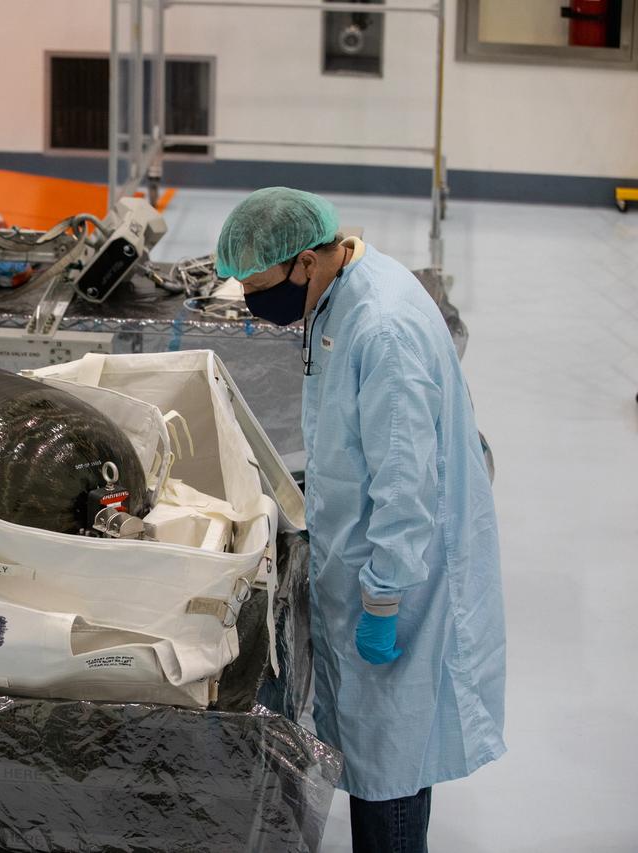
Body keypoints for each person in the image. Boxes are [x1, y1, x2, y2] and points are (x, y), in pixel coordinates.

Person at [216, 188, 506, 853]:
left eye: (259, 288)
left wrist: (381, 598)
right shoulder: (339, 293)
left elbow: (405, 486)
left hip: (401, 582)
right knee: (382, 749)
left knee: (389, 762)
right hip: (367, 558)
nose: (255, 304)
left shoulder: (382, 327)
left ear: (306, 262)